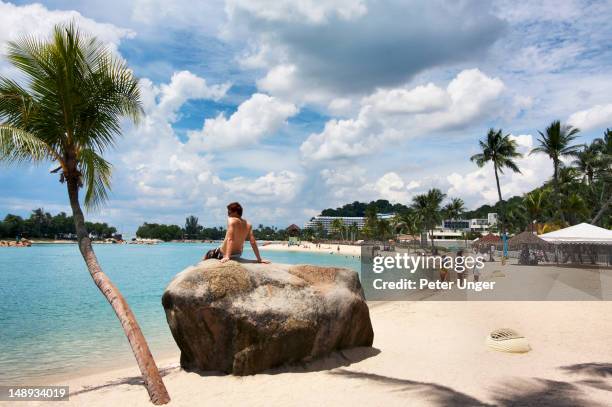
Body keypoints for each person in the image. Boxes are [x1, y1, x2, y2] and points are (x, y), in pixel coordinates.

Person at [204, 202, 269, 264]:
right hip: (237, 254)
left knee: (208, 254)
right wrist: (259, 259)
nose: (228, 213)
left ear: (235, 212)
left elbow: (230, 239)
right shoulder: (248, 224)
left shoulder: (231, 220)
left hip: (223, 253)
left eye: (229, 211)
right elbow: (253, 242)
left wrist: (227, 256)